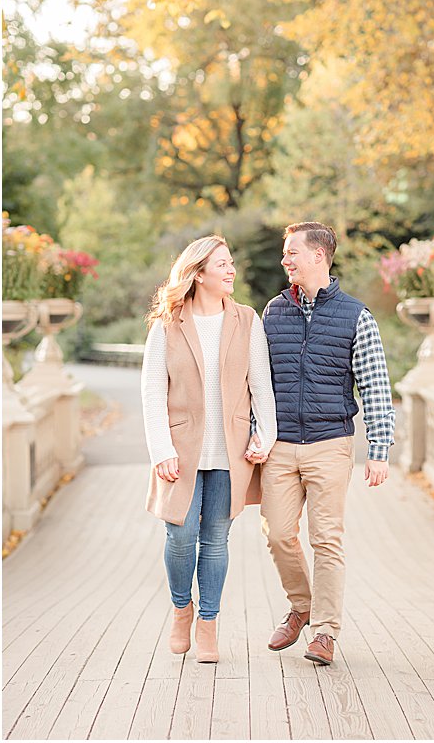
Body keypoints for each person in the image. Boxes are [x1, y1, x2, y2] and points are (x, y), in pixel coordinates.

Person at [260, 221, 394, 666]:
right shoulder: (273, 311)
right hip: (279, 445)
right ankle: (303, 607)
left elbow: (375, 385)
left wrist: (379, 449)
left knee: (326, 539)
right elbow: (257, 383)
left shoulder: (357, 316)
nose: (285, 259)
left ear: (318, 255)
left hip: (330, 443)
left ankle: (324, 632)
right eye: (285, 252)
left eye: (292, 252)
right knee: (278, 534)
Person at [141, 236, 275, 663]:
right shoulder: (168, 324)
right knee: (181, 537)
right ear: (198, 273)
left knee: (216, 539)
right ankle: (182, 610)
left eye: (231, 263)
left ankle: (209, 625)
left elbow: (262, 386)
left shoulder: (248, 320)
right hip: (180, 451)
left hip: (231, 453)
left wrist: (264, 436)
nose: (231, 270)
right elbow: (151, 391)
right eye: (222, 264)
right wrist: (161, 448)